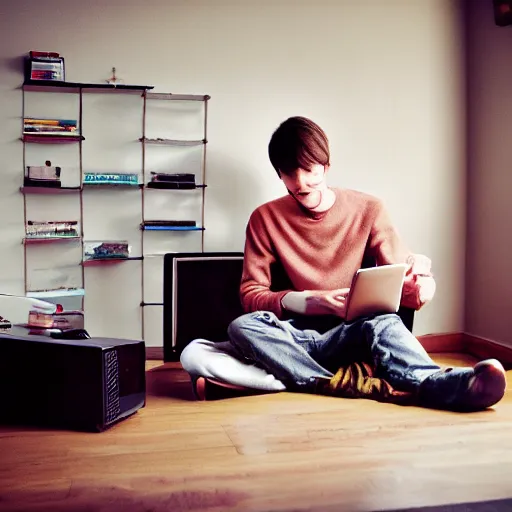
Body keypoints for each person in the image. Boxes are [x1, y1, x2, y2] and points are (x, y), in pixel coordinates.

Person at [181, 116, 507, 411]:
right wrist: (310, 301)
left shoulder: (369, 209)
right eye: (289, 172)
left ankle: (439, 383)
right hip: (294, 337)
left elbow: (403, 287)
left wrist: (423, 285)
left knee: (384, 323)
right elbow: (251, 295)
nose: (301, 181)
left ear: (325, 165)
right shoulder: (264, 218)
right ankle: (338, 381)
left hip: (352, 334)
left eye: (309, 169)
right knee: (234, 330)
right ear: (279, 174)